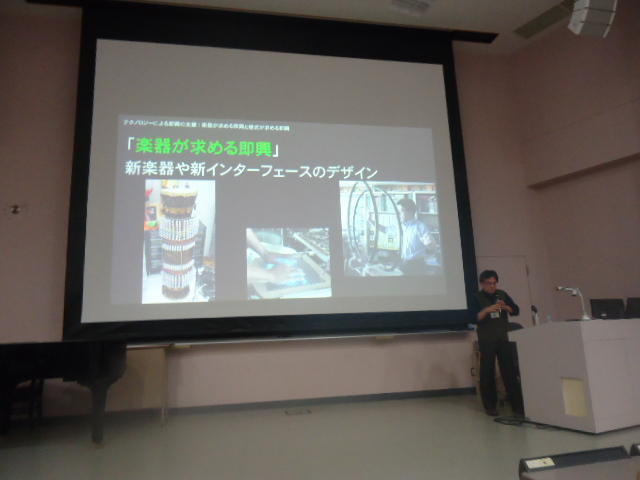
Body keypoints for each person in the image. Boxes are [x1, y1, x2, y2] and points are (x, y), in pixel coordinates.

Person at [469, 270, 524, 417]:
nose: (492, 286)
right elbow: (473, 318)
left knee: (509, 371)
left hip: (503, 337)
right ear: (482, 284)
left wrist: (506, 307)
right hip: (487, 339)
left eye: (494, 283)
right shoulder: (476, 297)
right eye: (489, 283)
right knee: (487, 372)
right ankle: (490, 406)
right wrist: (487, 310)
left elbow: (515, 310)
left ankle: (517, 406)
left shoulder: (502, 294)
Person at [396, 198, 437, 275]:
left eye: (400, 211)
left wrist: (429, 245)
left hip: (416, 266)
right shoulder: (401, 226)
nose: (398, 214)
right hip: (403, 263)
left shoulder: (420, 226)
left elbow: (432, 247)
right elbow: (386, 230)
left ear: (410, 212)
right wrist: (372, 222)